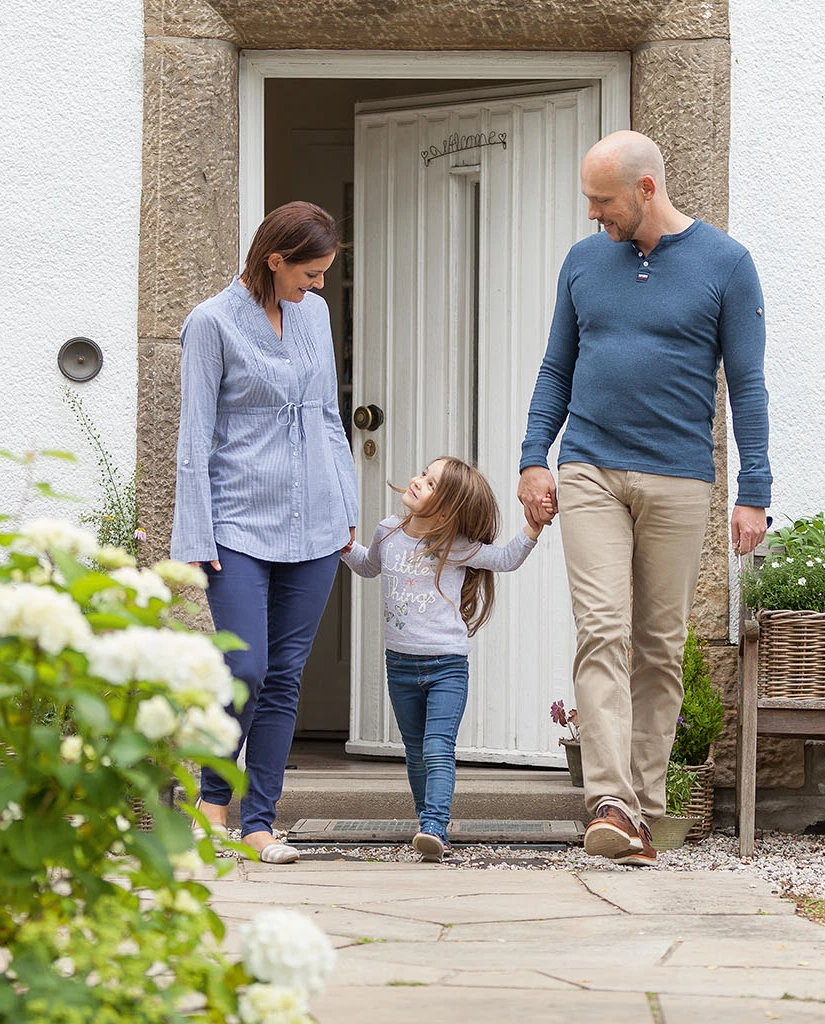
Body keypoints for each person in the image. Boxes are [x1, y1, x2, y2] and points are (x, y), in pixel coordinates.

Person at [517, 130, 771, 866]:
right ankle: (610, 801)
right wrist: (536, 458)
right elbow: (555, 367)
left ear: (646, 189)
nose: (595, 215)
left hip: (679, 476)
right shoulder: (583, 262)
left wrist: (753, 490)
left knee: (659, 647)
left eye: (604, 201)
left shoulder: (727, 266)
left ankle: (643, 806)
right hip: (591, 468)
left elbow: (747, 386)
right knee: (602, 630)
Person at [171, 201, 358, 865]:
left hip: (314, 522)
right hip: (237, 524)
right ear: (273, 259)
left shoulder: (315, 315)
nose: (318, 286)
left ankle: (260, 823)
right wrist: (195, 535)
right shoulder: (211, 323)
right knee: (245, 666)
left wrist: (346, 502)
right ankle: (211, 800)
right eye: (309, 272)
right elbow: (194, 436)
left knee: (284, 678)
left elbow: (329, 415)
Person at [342, 456, 546, 862]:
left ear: (448, 506)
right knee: (414, 749)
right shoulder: (388, 532)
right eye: (422, 474)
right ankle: (427, 827)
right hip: (399, 664)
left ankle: (435, 825)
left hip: (446, 666)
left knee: (437, 747)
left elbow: (504, 559)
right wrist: (343, 545)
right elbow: (368, 567)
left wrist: (533, 528)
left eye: (431, 483)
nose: (418, 481)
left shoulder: (456, 547)